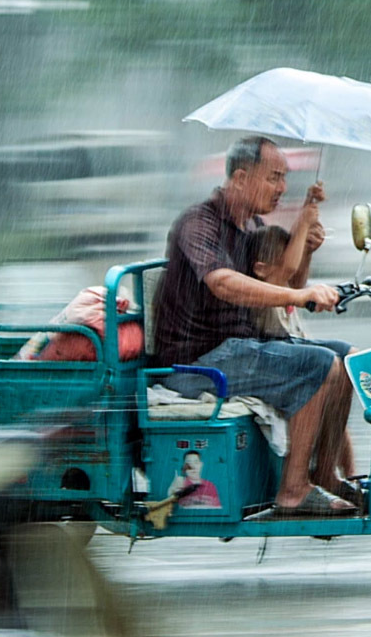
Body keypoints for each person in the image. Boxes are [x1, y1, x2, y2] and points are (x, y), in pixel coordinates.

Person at [153, 135, 357, 516]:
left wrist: (306, 247)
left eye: (284, 178)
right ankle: (293, 489)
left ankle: (325, 474)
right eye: (273, 177)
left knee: (345, 359)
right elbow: (222, 282)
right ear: (242, 178)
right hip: (197, 362)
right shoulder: (199, 223)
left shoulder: (252, 227)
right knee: (317, 365)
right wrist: (299, 296)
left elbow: (286, 285)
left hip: (240, 349)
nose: (282, 188)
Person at [245, 223, 358, 485]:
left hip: (294, 350)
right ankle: (310, 479)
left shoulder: (285, 285)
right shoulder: (262, 294)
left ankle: (347, 475)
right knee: (326, 368)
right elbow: (290, 271)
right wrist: (305, 215)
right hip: (278, 362)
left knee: (346, 368)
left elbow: (294, 274)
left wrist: (306, 248)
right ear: (261, 268)